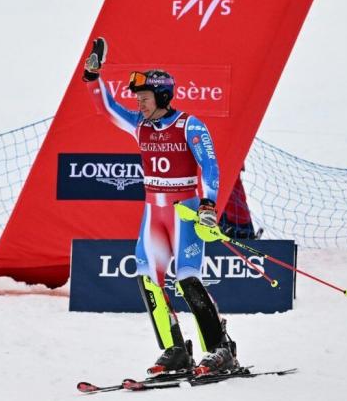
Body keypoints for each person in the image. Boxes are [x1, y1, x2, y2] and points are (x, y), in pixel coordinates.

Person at [82, 37, 239, 376]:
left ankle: (220, 349)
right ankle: (175, 350)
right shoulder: (140, 126)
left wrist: (209, 205)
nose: (139, 104)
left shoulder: (189, 125)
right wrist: (93, 77)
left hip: (184, 211)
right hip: (154, 212)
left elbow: (209, 166)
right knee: (148, 278)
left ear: (163, 97)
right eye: (137, 99)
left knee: (187, 278)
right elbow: (107, 109)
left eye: (144, 98)